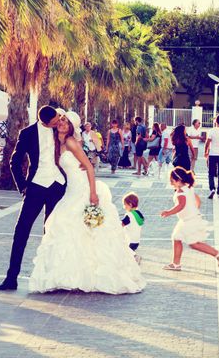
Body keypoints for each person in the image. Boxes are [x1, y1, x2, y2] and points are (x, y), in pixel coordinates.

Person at [29, 111, 145, 294]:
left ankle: (88, 275)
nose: (62, 124)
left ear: (71, 128)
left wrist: (92, 193)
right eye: (60, 121)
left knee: (77, 227)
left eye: (66, 123)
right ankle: (67, 275)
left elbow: (89, 167)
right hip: (71, 189)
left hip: (82, 188)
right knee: (66, 226)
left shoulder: (70, 142)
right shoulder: (56, 143)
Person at [0, 106, 67, 291]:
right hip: (35, 186)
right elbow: (14, 161)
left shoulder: (61, 130)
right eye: (54, 120)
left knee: (52, 232)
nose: (58, 121)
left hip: (57, 186)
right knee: (21, 231)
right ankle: (11, 278)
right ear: (45, 121)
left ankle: (51, 278)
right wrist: (23, 185)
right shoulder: (27, 133)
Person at [160, 167, 219, 271]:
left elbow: (181, 205)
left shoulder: (180, 192)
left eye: (172, 181)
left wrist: (168, 212)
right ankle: (176, 264)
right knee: (177, 238)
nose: (171, 183)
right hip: (187, 219)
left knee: (194, 243)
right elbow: (197, 199)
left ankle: (218, 254)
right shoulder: (188, 188)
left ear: (179, 180)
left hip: (189, 221)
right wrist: (195, 209)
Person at [121, 192, 145, 264]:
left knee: (125, 251)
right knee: (129, 252)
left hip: (129, 240)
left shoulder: (129, 215)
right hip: (136, 240)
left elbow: (122, 224)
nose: (124, 207)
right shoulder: (139, 213)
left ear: (130, 205)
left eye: (125, 204)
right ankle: (133, 259)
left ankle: (136, 257)